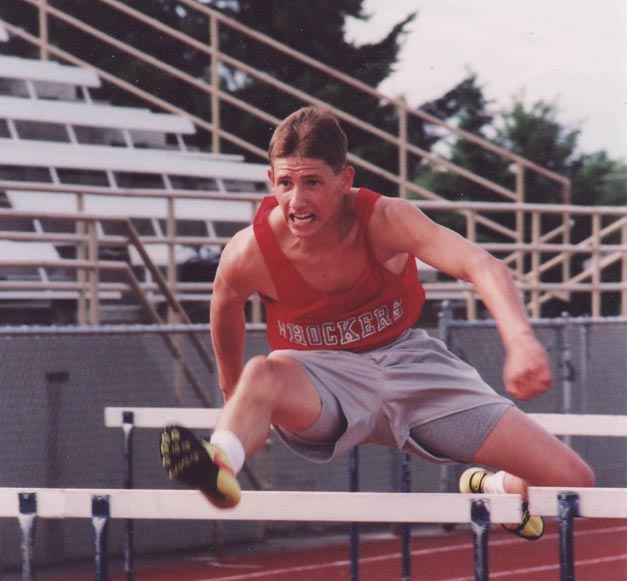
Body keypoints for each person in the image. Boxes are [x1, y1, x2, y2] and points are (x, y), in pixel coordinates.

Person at [160, 105, 593, 538]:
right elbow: (225, 304)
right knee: (262, 372)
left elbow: (481, 264)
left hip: (411, 365)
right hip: (320, 375)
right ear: (272, 181)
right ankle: (221, 461)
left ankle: (494, 487)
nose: (298, 201)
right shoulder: (248, 252)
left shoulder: (386, 220)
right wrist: (234, 395)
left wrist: (520, 341)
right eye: (287, 183)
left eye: (313, 183)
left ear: (344, 181)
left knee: (574, 481)